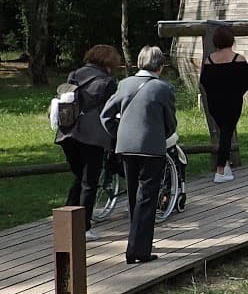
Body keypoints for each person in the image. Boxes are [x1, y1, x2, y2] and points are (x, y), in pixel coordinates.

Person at [101, 46, 177, 265]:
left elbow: (106, 115)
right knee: (147, 197)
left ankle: (136, 243)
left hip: (125, 147)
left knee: (134, 195)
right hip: (151, 148)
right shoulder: (164, 88)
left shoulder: (124, 84)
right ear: (160, 66)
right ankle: (138, 249)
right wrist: (161, 135)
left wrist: (119, 134)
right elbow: (170, 122)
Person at [55, 43, 120, 229]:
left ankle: (66, 221)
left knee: (79, 178)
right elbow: (112, 110)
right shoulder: (108, 82)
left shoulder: (74, 75)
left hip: (67, 133)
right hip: (93, 137)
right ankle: (83, 227)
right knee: (89, 183)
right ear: (109, 61)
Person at [199, 28, 248, 182]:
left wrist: (214, 93)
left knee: (224, 132)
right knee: (227, 133)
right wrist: (236, 93)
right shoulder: (239, 59)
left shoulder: (209, 60)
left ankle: (226, 165)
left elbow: (204, 81)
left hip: (214, 103)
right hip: (233, 101)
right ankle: (220, 170)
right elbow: (246, 81)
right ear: (231, 40)